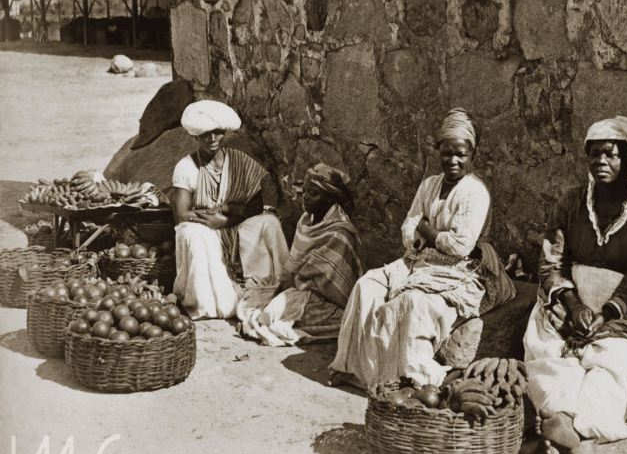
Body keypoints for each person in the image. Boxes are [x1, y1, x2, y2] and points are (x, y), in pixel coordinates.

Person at [522, 116, 627, 454]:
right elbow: (551, 261)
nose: (601, 162)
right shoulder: (569, 203)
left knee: (614, 362)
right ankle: (561, 418)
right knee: (550, 352)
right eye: (594, 154)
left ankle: (586, 433)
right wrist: (573, 304)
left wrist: (608, 312)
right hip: (570, 303)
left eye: (611, 154)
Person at [328, 108, 516, 389]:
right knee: (366, 286)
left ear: (472, 155)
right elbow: (407, 231)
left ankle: (415, 377)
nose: (453, 161)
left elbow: (460, 245)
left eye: (460, 154)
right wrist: (426, 234)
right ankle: (353, 367)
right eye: (446, 153)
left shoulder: (475, 192)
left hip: (462, 270)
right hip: (418, 259)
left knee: (413, 302)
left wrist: (427, 230)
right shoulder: (429, 185)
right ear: (437, 151)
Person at [172, 100, 289, 320]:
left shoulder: (240, 161)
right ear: (196, 136)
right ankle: (213, 302)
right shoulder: (186, 167)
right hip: (206, 227)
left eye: (217, 133)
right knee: (191, 232)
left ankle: (272, 285)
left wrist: (225, 214)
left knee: (269, 222)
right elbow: (181, 215)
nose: (212, 139)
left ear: (224, 132)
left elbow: (255, 206)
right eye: (205, 134)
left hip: (232, 222)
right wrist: (214, 220)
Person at [237, 164, 362, 346]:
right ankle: (267, 319)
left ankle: (264, 322)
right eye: (304, 191)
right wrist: (288, 289)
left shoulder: (340, 234)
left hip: (329, 302)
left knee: (289, 304)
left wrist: (298, 288)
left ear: (330, 200)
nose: (306, 198)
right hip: (301, 291)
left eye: (313, 194)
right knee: (269, 300)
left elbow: (337, 287)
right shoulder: (305, 222)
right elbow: (293, 267)